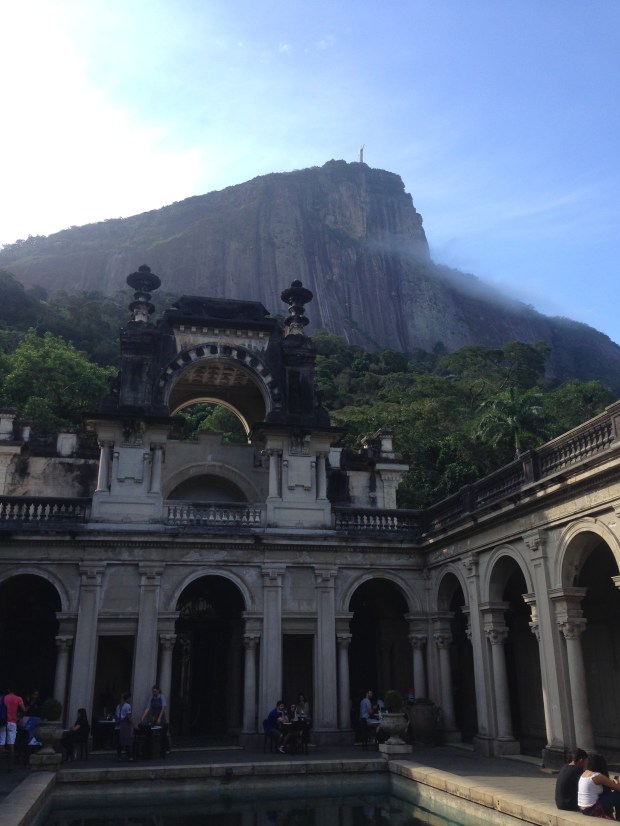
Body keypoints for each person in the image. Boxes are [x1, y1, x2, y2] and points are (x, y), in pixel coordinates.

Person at [578, 752, 620, 817]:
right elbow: (617, 788)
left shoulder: (585, 773)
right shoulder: (597, 776)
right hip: (592, 809)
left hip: (583, 809)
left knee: (607, 792)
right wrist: (617, 781)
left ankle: (610, 815)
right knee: (617, 795)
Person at [141, 685, 170, 757]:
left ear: (158, 691)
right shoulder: (151, 698)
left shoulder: (161, 697)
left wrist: (159, 718)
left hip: (160, 715)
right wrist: (143, 717)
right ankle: (148, 750)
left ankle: (166, 748)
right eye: (153, 691)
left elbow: (163, 708)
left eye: (154, 691)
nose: (153, 693)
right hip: (153, 716)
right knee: (150, 730)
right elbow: (148, 707)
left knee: (163, 733)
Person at [0, 687, 26, 769]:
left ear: (8, 690)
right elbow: (24, 710)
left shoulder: (2, 698)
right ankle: (10, 766)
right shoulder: (18, 698)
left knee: (1, 742)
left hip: (3, 722)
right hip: (13, 722)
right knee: (11, 744)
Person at [115, 692, 135, 762]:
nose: (130, 699)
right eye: (130, 698)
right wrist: (133, 724)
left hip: (118, 726)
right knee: (126, 741)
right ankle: (130, 756)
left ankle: (119, 756)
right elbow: (128, 716)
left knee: (119, 742)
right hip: (124, 726)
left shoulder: (118, 706)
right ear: (128, 698)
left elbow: (117, 716)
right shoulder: (127, 706)